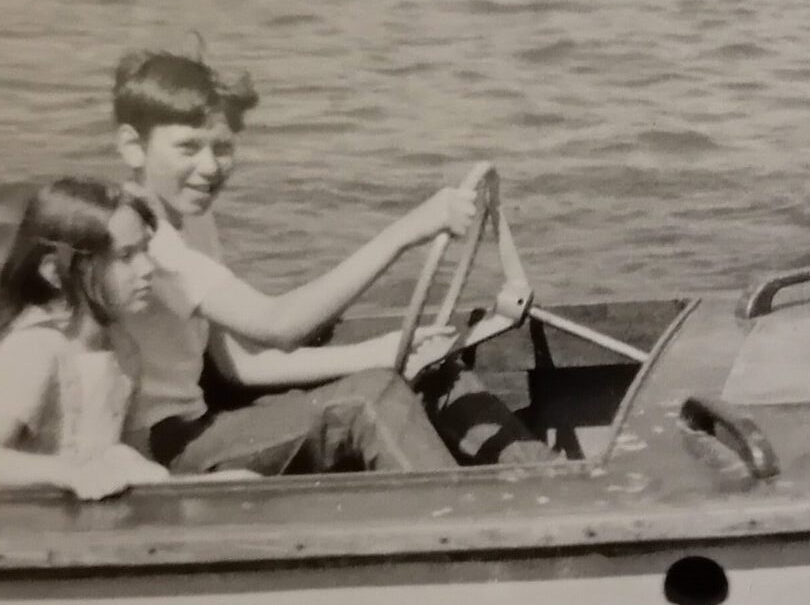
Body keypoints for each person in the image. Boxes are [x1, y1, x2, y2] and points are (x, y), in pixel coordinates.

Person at [109, 51, 554, 477]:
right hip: (171, 451)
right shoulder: (147, 242)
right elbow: (277, 325)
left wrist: (382, 353)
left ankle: (548, 482)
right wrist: (406, 230)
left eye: (222, 147)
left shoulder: (191, 217)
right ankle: (463, 533)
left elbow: (242, 366)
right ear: (133, 147)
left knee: (428, 371)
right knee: (365, 401)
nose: (209, 166)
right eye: (187, 147)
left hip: (207, 421)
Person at [0, 179, 174, 499]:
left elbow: (136, 456)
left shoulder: (125, 350)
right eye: (126, 256)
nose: (147, 267)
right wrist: (69, 473)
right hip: (16, 524)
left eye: (145, 250)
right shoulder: (34, 349)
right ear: (57, 273)